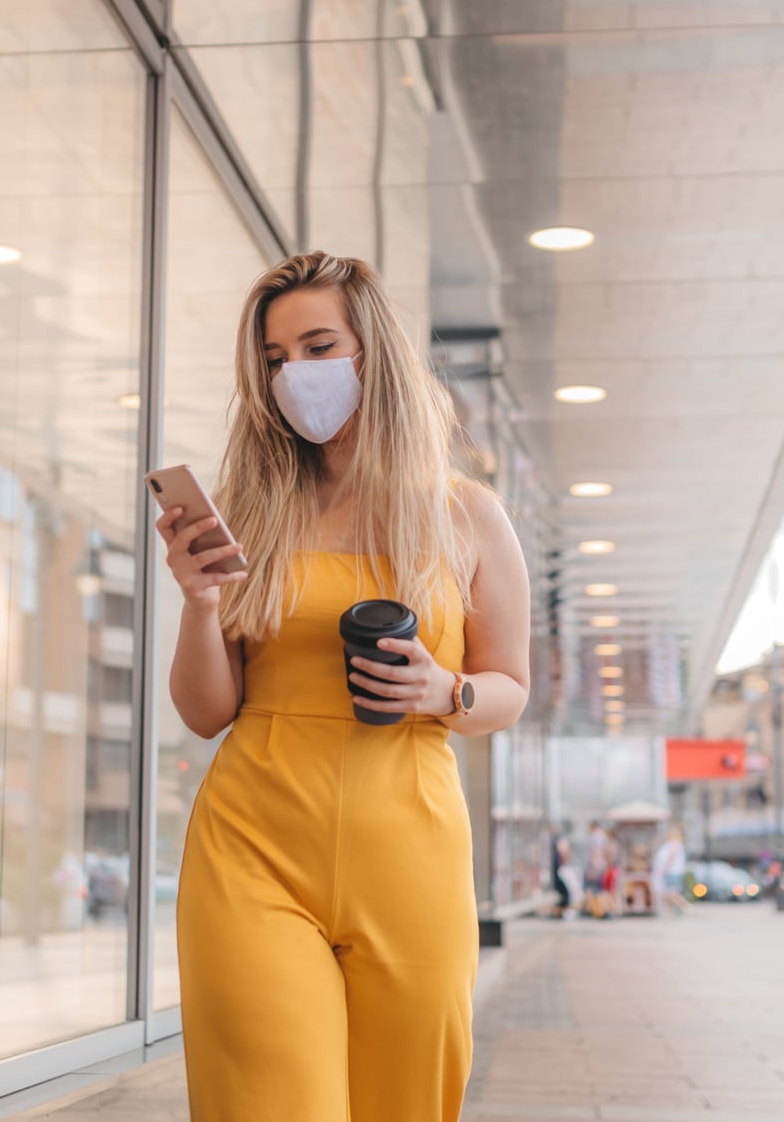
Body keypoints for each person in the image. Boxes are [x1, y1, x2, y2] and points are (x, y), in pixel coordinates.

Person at [163, 252, 532, 1121]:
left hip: (411, 853)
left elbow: (509, 686)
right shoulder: (254, 509)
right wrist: (199, 600)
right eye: (276, 359)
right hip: (252, 850)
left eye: (318, 345)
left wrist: (448, 691)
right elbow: (207, 711)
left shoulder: (467, 515)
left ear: (376, 353)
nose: (296, 374)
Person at [651, 826, 689, 917]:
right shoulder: (676, 844)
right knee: (669, 893)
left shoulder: (675, 844)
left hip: (672, 872)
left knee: (671, 893)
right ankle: (670, 911)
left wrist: (664, 868)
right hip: (673, 872)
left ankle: (687, 908)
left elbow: (671, 857)